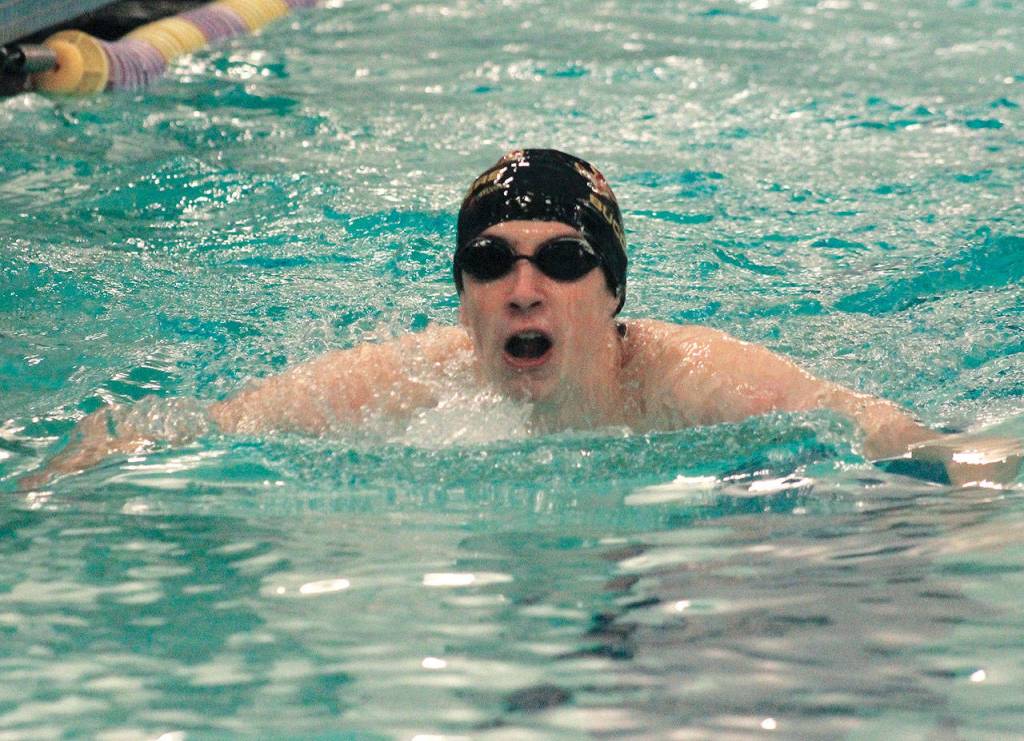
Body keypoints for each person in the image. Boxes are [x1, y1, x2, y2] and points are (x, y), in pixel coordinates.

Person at [21, 149, 1021, 489]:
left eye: (563, 260)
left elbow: (883, 431)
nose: (523, 288)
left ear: (613, 292)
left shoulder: (691, 382)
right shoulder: (415, 378)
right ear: (461, 295)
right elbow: (218, 426)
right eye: (490, 262)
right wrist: (96, 456)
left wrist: (961, 469)